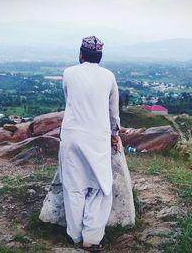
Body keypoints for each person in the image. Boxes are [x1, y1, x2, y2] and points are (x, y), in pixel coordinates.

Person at [58, 36, 121, 251]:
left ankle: (74, 236)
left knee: (73, 187)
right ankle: (91, 238)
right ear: (100, 57)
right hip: (97, 138)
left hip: (72, 136)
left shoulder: (68, 73)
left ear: (81, 54)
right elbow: (113, 112)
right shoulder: (109, 77)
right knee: (100, 187)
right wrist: (115, 134)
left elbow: (69, 101)